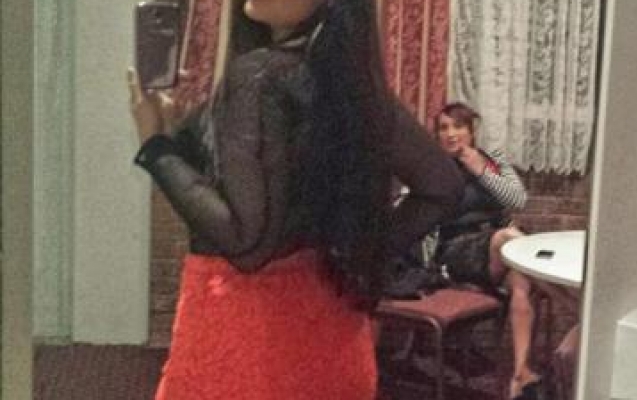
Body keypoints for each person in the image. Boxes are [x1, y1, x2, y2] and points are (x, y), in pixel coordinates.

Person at [128, 0, 463, 399]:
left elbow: (247, 245)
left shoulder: (258, 76)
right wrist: (360, 251)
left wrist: (155, 147)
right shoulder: (353, 85)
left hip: (250, 337)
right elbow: (442, 185)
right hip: (333, 327)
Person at [426, 102, 542, 399]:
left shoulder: (493, 161)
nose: (451, 134)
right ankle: (560, 286)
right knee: (509, 240)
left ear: (472, 130)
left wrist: (480, 170)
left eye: (458, 126)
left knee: (520, 283)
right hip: (456, 251)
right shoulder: (434, 167)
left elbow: (517, 200)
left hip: (497, 250)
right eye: (443, 128)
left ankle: (520, 374)